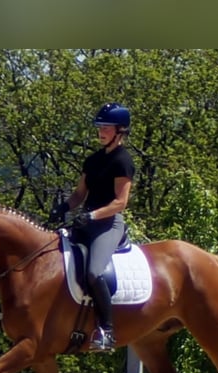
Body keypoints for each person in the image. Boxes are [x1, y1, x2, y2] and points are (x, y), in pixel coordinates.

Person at [49, 102, 135, 352]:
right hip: (87, 221)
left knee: (94, 272)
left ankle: (106, 330)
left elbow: (121, 202)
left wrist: (93, 215)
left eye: (106, 127)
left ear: (120, 130)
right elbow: (79, 194)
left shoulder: (123, 161)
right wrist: (63, 208)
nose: (101, 131)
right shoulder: (93, 159)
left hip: (108, 225)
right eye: (99, 126)